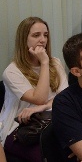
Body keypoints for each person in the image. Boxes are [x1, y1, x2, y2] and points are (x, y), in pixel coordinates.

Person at [0, 17, 68, 162]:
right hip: (21, 129)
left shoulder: (55, 62)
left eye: (45, 35)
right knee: (52, 154)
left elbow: (65, 97)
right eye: (36, 35)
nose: (43, 40)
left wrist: (42, 107)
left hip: (53, 121)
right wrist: (44, 62)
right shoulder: (12, 72)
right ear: (24, 39)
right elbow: (39, 98)